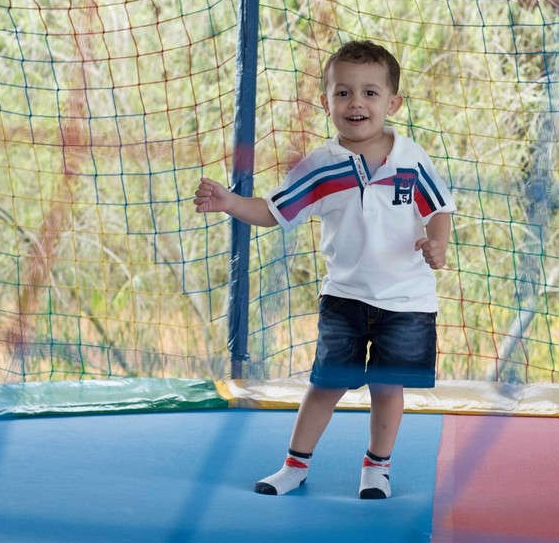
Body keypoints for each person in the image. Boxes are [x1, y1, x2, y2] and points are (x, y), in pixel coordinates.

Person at [194, 40, 455, 499]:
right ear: (326, 101)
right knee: (325, 385)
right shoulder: (322, 166)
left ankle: (377, 468)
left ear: (393, 102)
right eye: (343, 93)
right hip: (345, 299)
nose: (357, 103)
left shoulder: (411, 160)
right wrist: (231, 202)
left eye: (371, 93)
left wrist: (438, 244)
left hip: (407, 301)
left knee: (388, 388)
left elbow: (440, 210)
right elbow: (275, 211)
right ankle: (294, 465)